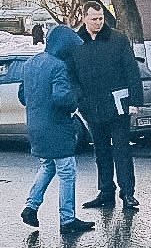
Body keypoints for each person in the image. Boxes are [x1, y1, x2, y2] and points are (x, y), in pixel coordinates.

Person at [18, 25, 94, 235]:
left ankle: (31, 207)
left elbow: (22, 97)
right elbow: (62, 97)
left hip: (35, 125)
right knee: (67, 172)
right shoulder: (59, 66)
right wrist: (75, 102)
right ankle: (67, 220)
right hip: (57, 127)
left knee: (48, 166)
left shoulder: (29, 64)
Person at [72, 0, 143, 210]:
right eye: (94, 19)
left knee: (122, 151)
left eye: (101, 18)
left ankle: (128, 194)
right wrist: (79, 100)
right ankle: (105, 192)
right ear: (84, 18)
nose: (98, 22)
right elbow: (71, 75)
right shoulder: (76, 43)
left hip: (118, 106)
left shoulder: (117, 40)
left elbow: (132, 72)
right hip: (91, 107)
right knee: (101, 152)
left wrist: (135, 101)